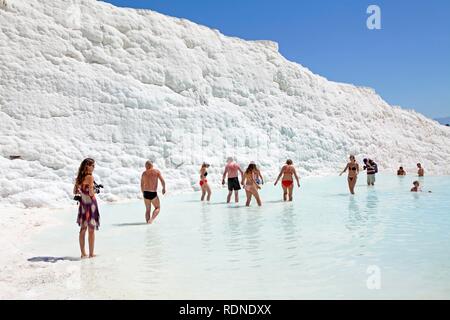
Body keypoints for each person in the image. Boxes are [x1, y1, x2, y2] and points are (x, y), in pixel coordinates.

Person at [73, 158, 100, 259]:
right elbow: (91, 193)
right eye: (92, 165)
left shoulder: (79, 178)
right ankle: (91, 254)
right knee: (91, 230)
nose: (93, 167)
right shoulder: (90, 177)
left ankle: (83, 253)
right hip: (91, 204)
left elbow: (75, 191)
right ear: (87, 166)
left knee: (83, 229)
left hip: (83, 205)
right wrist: (95, 190)